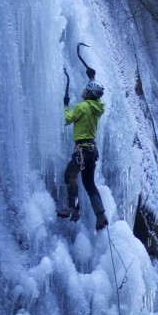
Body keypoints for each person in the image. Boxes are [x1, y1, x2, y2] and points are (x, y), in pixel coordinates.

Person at [59, 76, 108, 230]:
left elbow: (67, 119)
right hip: (92, 151)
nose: (83, 90)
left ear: (90, 93)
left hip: (82, 149)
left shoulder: (82, 107)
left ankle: (72, 209)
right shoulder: (97, 108)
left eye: (86, 89)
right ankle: (101, 216)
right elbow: (98, 98)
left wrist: (65, 105)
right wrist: (92, 77)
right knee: (89, 183)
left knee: (70, 175)